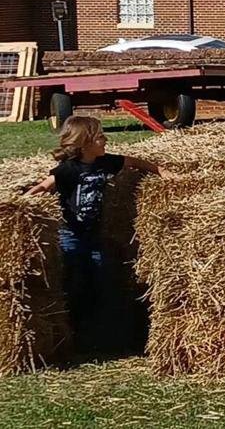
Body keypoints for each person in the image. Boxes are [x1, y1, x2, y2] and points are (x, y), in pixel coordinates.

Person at [24, 116, 172, 350]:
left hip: (93, 235)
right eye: (100, 136)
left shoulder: (106, 163)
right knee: (75, 278)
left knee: (101, 275)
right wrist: (22, 201)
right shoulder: (69, 169)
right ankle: (76, 330)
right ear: (85, 143)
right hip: (70, 234)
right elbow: (45, 185)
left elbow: (135, 162)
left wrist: (161, 171)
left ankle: (99, 328)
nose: (105, 140)